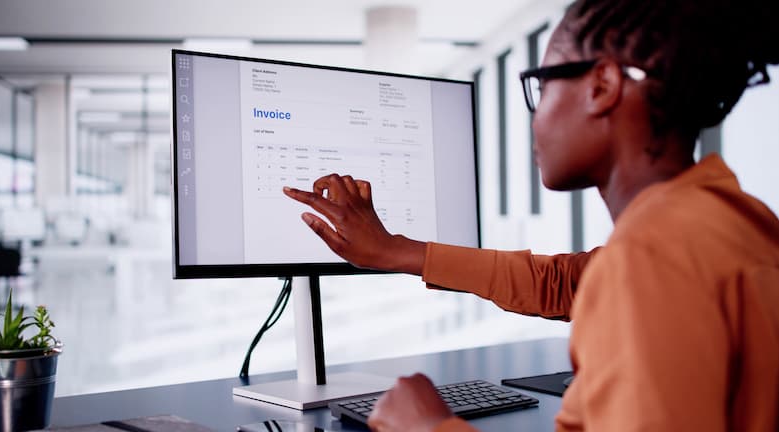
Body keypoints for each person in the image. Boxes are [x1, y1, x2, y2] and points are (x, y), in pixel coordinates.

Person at [283, 0, 779, 430]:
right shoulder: (734, 223)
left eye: (541, 87)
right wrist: (396, 251)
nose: (536, 116)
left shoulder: (654, 257)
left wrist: (430, 426)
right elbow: (562, 283)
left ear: (602, 85)